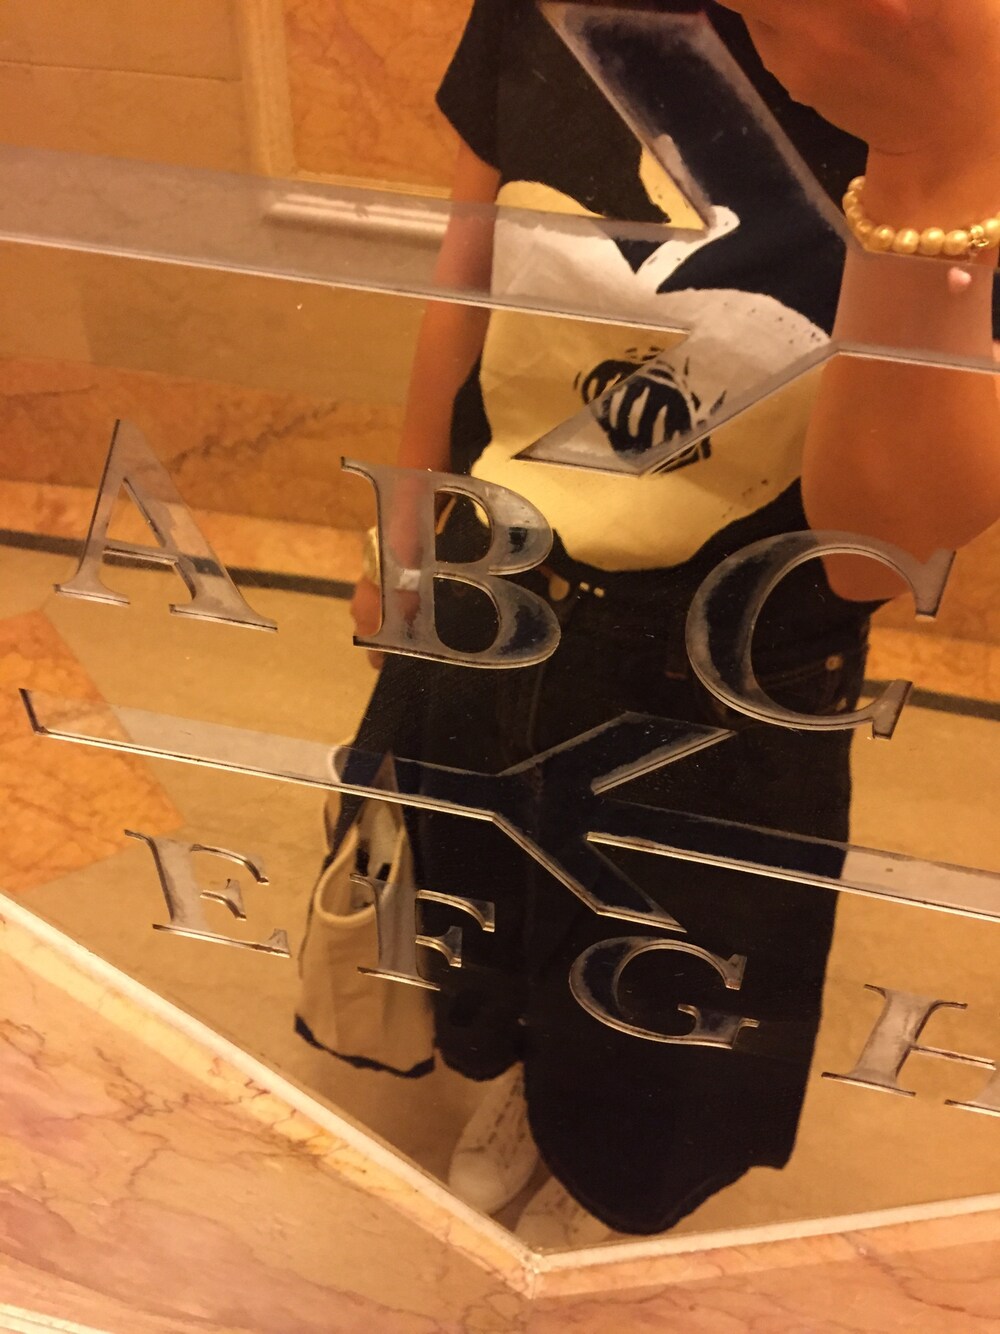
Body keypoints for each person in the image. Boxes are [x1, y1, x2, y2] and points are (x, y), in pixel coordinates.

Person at [321, 0, 1000, 1238]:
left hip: (735, 649)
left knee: (670, 940)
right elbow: (466, 270)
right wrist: (403, 521)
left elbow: (876, 556)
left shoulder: (936, 44)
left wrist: (935, 149)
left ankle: (614, 1148)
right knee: (493, 870)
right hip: (502, 572)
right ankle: (528, 1070)